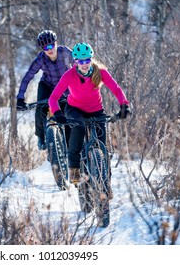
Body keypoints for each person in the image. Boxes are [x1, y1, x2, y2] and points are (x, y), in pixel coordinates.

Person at [48, 42, 131, 188]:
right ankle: (74, 170)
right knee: (78, 129)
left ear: (91, 59)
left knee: (102, 148)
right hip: (74, 109)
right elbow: (53, 98)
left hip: (96, 110)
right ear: (76, 61)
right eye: (81, 61)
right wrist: (57, 113)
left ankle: (106, 184)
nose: (84, 64)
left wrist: (124, 105)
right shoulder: (69, 75)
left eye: (87, 60)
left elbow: (116, 89)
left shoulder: (100, 72)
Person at [16, 30, 73, 150]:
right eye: (45, 47)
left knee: (68, 114)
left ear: (56, 43)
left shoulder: (65, 52)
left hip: (66, 87)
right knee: (41, 108)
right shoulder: (41, 59)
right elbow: (28, 77)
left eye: (51, 45)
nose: (49, 49)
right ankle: (41, 137)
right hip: (47, 86)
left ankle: (69, 146)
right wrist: (20, 98)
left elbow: (79, 65)